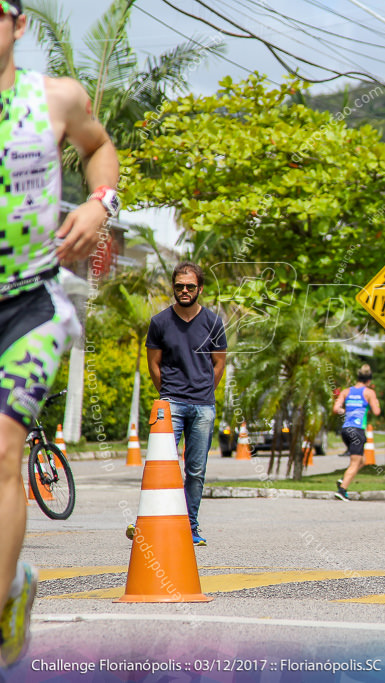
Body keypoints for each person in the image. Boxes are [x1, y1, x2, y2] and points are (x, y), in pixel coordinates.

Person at [0, 1, 120, 665]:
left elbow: (99, 149)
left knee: (3, 447)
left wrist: (101, 206)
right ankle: (14, 582)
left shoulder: (57, 99)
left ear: (18, 25)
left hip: (29, 304)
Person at [146, 262, 227, 545]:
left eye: (190, 286)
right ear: (173, 287)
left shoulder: (214, 322)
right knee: (162, 465)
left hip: (203, 406)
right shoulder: (159, 322)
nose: (184, 290)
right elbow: (153, 365)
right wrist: (169, 392)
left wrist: (203, 390)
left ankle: (190, 527)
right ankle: (155, 522)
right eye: (179, 286)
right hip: (171, 405)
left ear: (199, 289)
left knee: (196, 470)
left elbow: (219, 364)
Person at [332, 365, 381, 501]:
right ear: (369, 380)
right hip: (357, 430)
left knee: (362, 460)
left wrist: (343, 410)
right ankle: (342, 490)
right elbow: (377, 412)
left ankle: (343, 480)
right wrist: (375, 403)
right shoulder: (369, 392)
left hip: (346, 430)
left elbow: (336, 408)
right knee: (355, 462)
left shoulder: (346, 391)